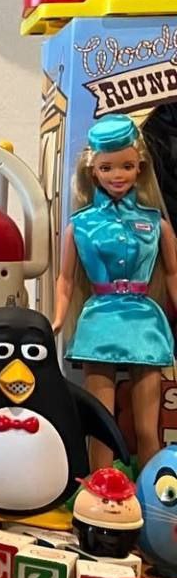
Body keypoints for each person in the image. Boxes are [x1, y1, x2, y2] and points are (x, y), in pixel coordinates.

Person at [53, 114, 177, 469]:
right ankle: (99, 484)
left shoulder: (155, 223)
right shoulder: (81, 225)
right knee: (101, 423)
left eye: (126, 166)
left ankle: (151, 487)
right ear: (94, 172)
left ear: (140, 168)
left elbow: (173, 272)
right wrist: (58, 319)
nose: (117, 175)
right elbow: (64, 280)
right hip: (101, 320)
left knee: (147, 427)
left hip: (144, 322)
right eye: (107, 168)